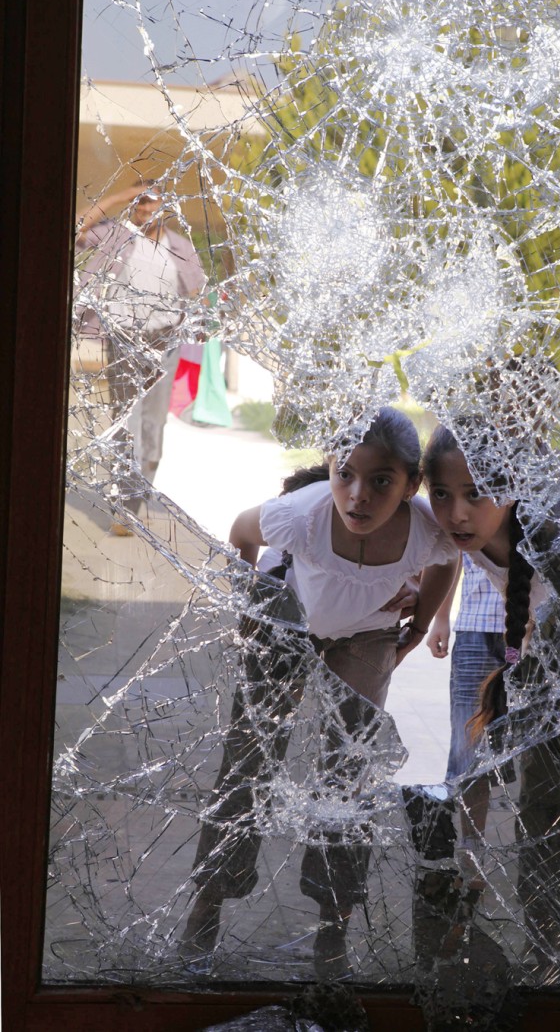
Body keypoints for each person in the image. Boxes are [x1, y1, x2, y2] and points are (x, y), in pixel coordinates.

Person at [181, 407, 459, 976]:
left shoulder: (425, 529)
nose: (358, 496)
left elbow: (447, 560)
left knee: (349, 771)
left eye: (380, 481)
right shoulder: (301, 518)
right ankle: (207, 902)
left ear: (410, 486)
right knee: (248, 762)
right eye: (345, 475)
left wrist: (418, 625)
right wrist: (250, 605)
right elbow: (239, 531)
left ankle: (334, 926)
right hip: (288, 623)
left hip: (368, 636)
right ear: (331, 469)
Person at [422, 422, 560, 984]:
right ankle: (553, 960)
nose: (457, 513)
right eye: (443, 496)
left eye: (476, 495)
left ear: (513, 490)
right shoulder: (477, 542)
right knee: (544, 818)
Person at [75, 180, 206, 529]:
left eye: (152, 203)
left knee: (153, 423)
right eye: (140, 203)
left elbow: (197, 295)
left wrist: (202, 333)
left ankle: (140, 489)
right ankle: (127, 502)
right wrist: (120, 195)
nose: (145, 209)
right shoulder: (117, 236)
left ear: (167, 208)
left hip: (165, 341)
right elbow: (77, 226)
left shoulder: (179, 246)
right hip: (124, 339)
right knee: (125, 420)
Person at [427, 553, 508, 790]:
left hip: (530, 631)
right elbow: (451, 554)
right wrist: (441, 618)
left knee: (525, 743)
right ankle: (468, 827)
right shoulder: (472, 516)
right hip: (476, 624)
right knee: (467, 746)